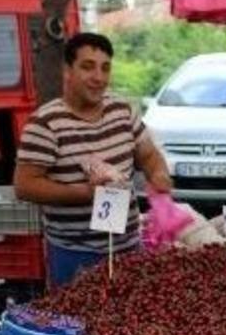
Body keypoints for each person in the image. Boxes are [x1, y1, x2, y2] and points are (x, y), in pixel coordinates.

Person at [14, 32, 172, 287]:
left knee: (130, 320)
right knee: (78, 323)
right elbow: (25, 186)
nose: (98, 77)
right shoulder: (45, 123)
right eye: (88, 67)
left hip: (128, 248)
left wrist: (159, 175)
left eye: (105, 68)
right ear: (68, 70)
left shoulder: (122, 111)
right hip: (73, 254)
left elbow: (149, 155)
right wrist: (85, 193)